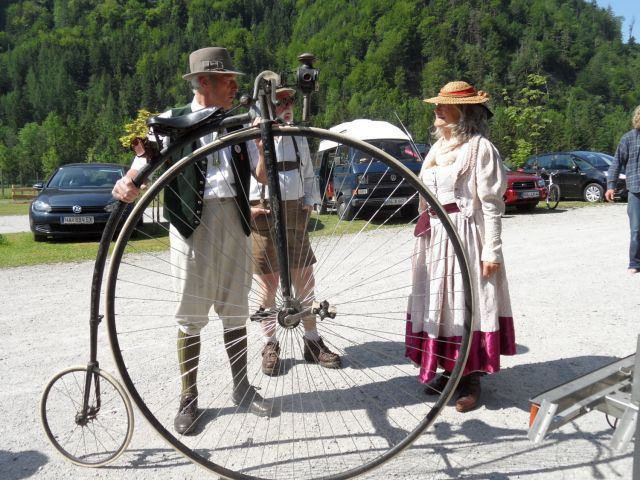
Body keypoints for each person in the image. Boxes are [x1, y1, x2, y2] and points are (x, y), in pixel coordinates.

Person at [112, 47, 272, 435]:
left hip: (235, 219)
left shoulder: (238, 121)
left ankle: (241, 386)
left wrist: (262, 143)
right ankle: (189, 396)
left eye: (234, 80)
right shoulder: (170, 121)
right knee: (191, 313)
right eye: (227, 80)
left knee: (235, 308)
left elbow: (263, 176)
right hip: (191, 224)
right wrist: (127, 183)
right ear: (203, 82)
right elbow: (141, 166)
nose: (234, 86)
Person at [405, 81, 516, 413]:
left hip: (466, 235)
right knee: (441, 306)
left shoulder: (481, 149)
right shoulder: (437, 148)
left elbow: (492, 204)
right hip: (436, 235)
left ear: (463, 111)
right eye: (437, 104)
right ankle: (449, 370)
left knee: (467, 304)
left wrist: (492, 249)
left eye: (444, 104)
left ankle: (471, 378)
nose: (437, 109)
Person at [247, 86, 341, 376]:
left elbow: (309, 172)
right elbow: (247, 175)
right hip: (263, 209)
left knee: (304, 277)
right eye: (279, 102)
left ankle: (312, 340)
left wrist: (310, 200)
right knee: (268, 282)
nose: (286, 106)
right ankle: (270, 343)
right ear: (266, 107)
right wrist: (246, 207)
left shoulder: (297, 134)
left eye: (289, 101)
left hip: (295, 208)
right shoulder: (251, 134)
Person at [605, 105, 640, 274]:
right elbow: (616, 163)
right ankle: (635, 263)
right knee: (636, 229)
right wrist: (611, 186)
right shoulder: (628, 139)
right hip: (635, 190)